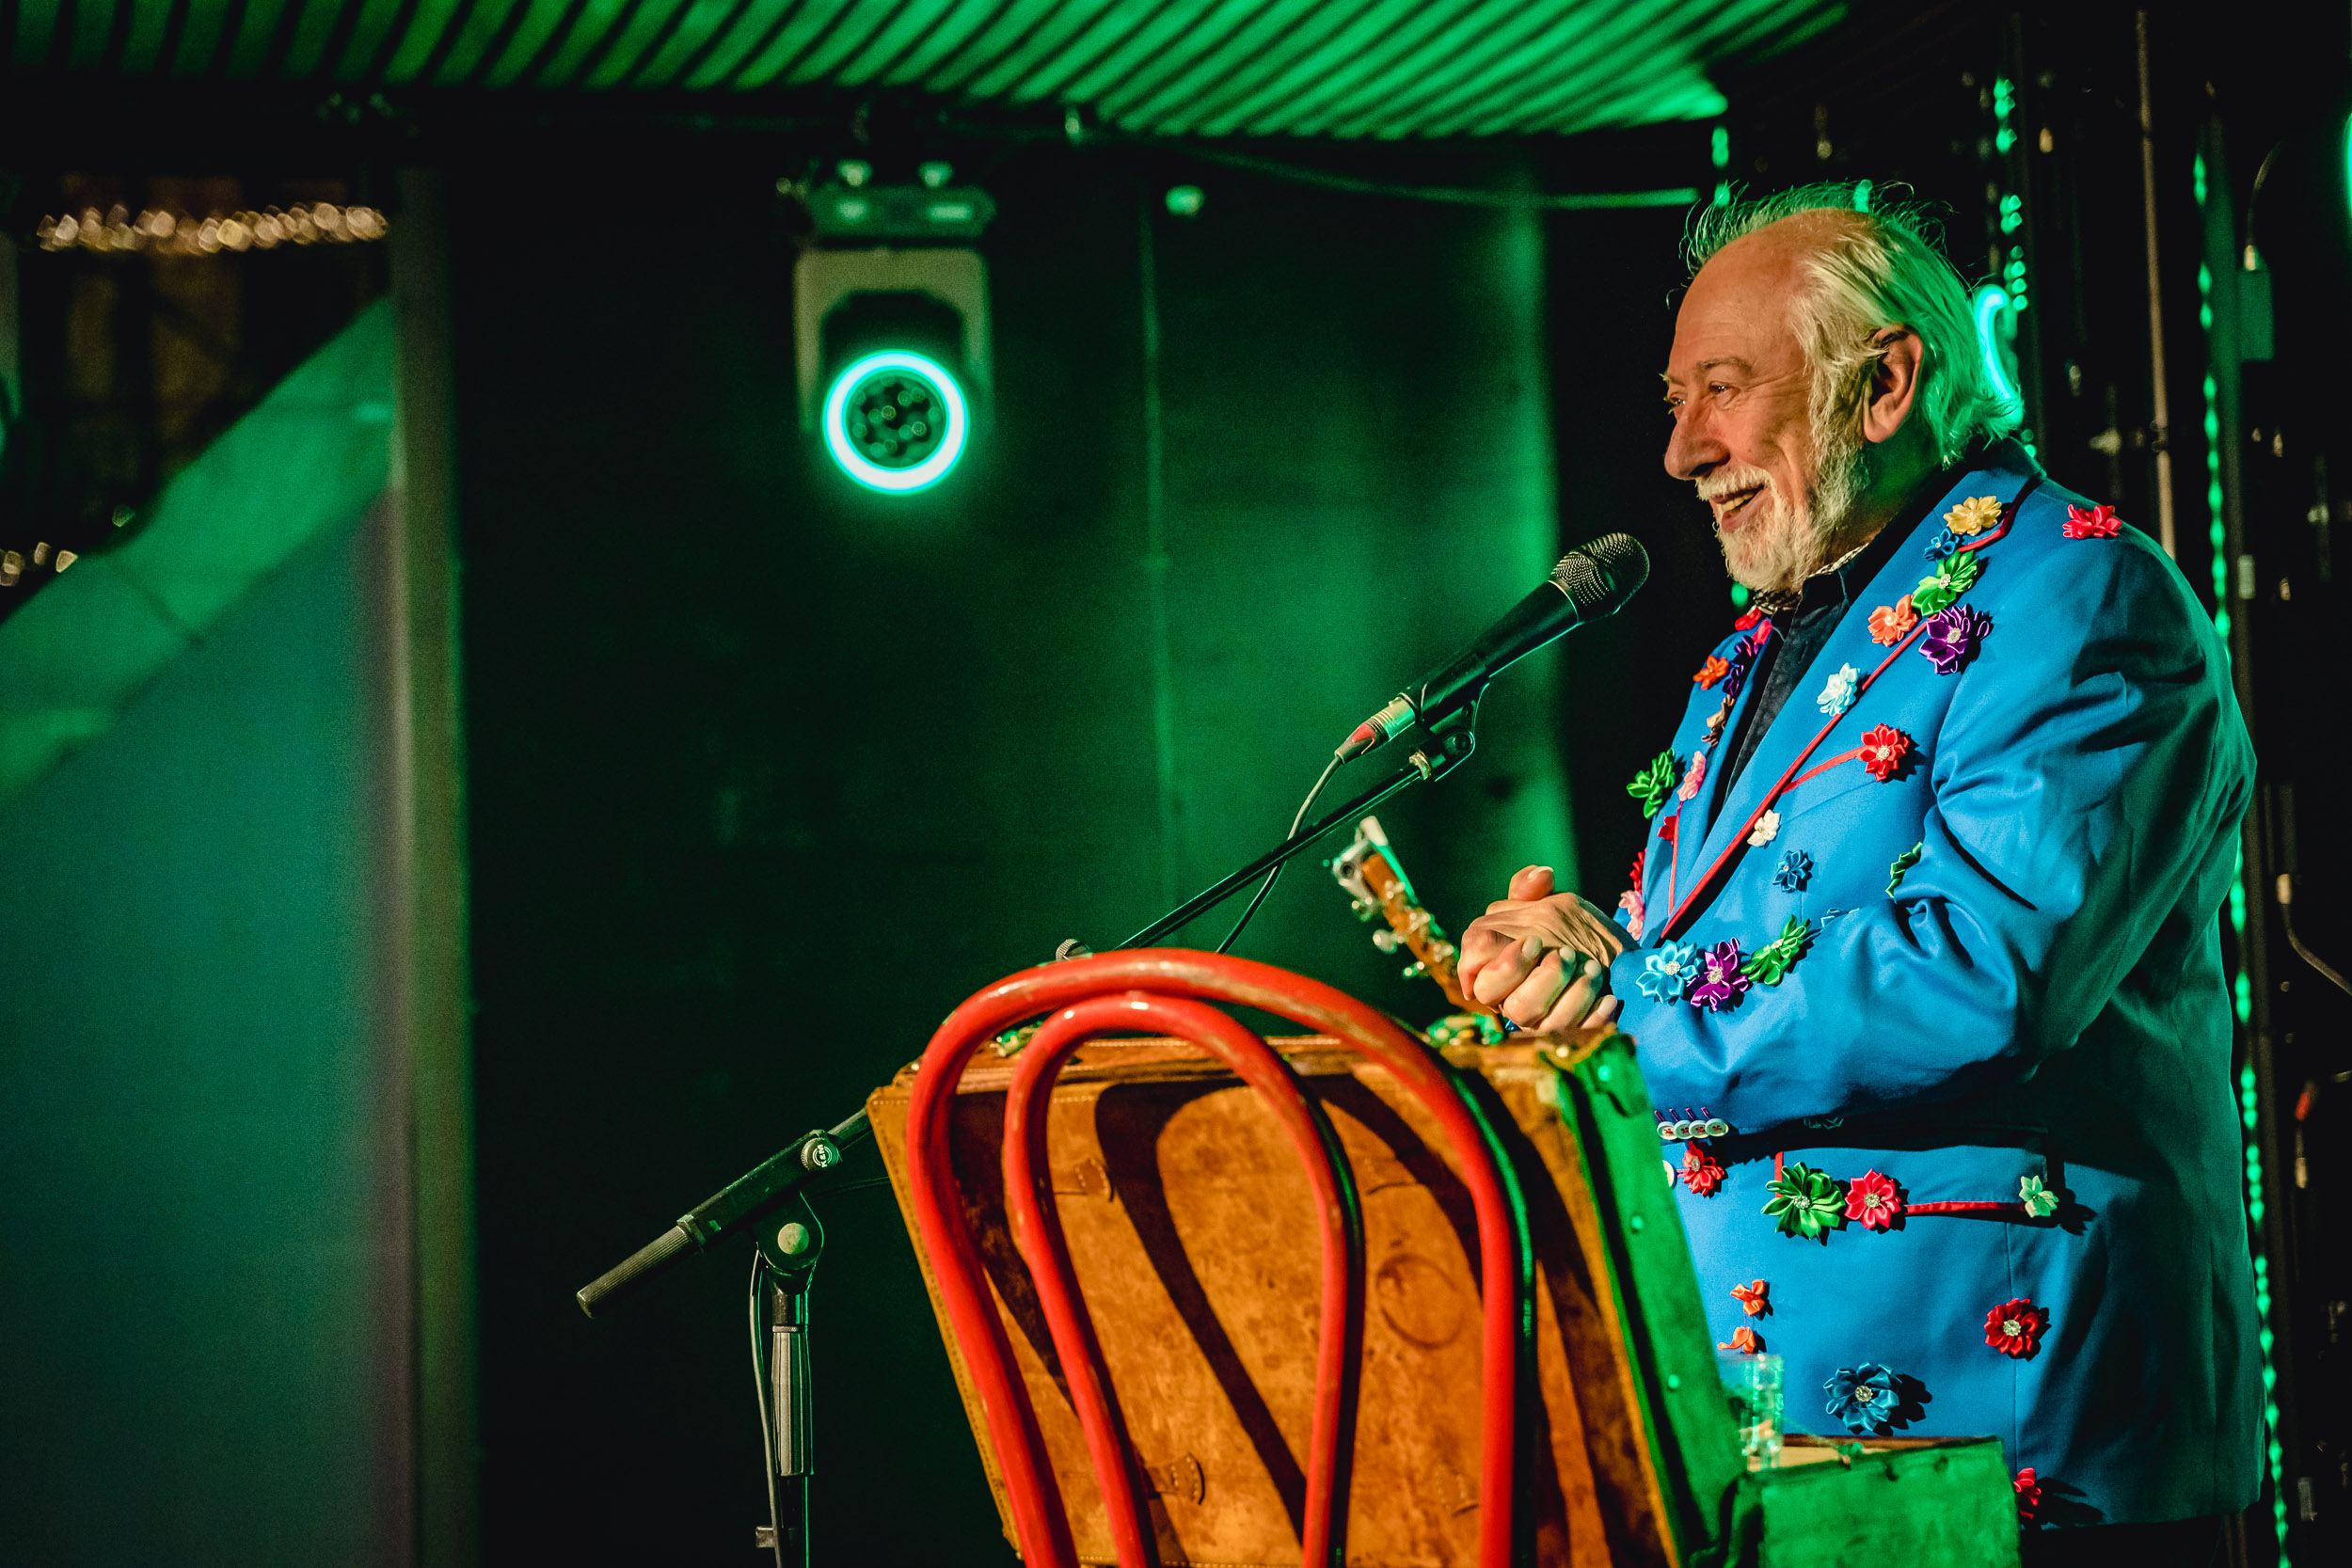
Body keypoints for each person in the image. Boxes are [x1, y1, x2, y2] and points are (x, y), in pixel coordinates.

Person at [1457, 183, 2261, 1562]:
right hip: (1782, 1437)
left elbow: (1985, 968)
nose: (1678, 451)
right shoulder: (1759, 645)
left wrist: (1628, 1013)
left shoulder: (2082, 596)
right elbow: (1723, 954)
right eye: (1672, 399)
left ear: (1884, 385)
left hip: (2009, 1442)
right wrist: (1574, 959)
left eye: (1719, 391)